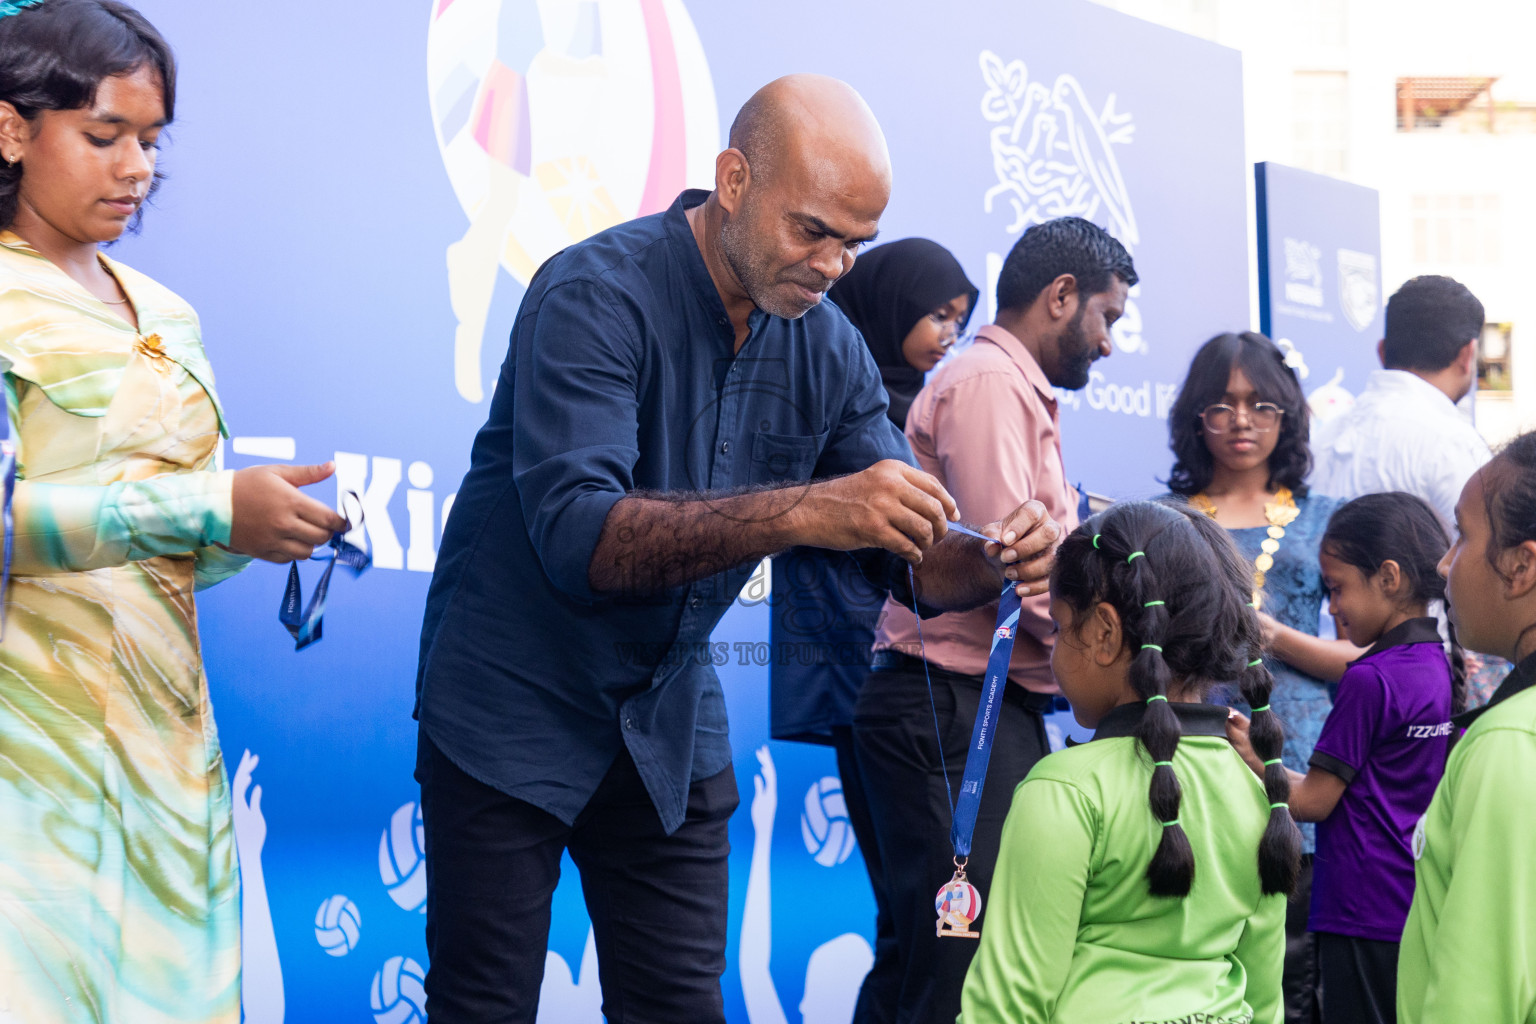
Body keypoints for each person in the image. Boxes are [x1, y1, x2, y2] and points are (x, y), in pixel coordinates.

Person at [413, 74, 1060, 1023]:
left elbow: (915, 562)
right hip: (512, 707)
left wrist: (996, 556)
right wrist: (806, 511)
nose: (837, 264)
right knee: (485, 1005)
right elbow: (581, 541)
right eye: (813, 231)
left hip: (667, 723)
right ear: (733, 179)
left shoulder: (828, 347)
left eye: (857, 243)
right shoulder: (594, 293)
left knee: (681, 1006)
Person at [0, 2, 348, 1020]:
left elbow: (174, 543)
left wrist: (250, 531)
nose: (136, 168)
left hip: (168, 756)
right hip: (30, 753)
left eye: (150, 142)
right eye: (104, 137)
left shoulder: (168, 312)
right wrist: (203, 502)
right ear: (13, 129)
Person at [853, 216, 1135, 1024]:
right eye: (1107, 318)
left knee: (927, 959)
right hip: (949, 708)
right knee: (956, 965)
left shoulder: (1007, 389)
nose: (1109, 345)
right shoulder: (987, 385)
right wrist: (1128, 667)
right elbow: (1014, 566)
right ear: (1060, 297)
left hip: (965, 705)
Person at [960, 499, 1300, 1024]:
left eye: (1056, 628)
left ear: (1103, 632)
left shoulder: (1065, 790)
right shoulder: (1260, 792)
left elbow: (1004, 1008)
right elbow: (1265, 1001)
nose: (1053, 650)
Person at [767, 237, 977, 1021]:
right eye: (937, 313)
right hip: (868, 665)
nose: (948, 333)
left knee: (916, 912)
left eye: (960, 318)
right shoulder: (835, 396)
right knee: (920, 909)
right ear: (890, 306)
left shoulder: (916, 405)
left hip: (898, 660)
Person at [1165, 331, 1362, 1023]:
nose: (1241, 420)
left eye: (1261, 405)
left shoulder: (1328, 519)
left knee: (1297, 973)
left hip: (1306, 773)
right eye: (1221, 405)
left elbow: (1366, 662)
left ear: (1289, 415)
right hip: (1193, 767)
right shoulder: (1166, 521)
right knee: (1198, 968)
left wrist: (1274, 636)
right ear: (1195, 417)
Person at [1229, 492, 1462, 1024]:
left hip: (1356, 905)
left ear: (1389, 577)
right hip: (1410, 900)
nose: (1331, 607)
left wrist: (1252, 754)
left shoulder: (1369, 678)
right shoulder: (1434, 664)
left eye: (1337, 589)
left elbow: (1312, 800)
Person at [1310, 275, 1503, 709]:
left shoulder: (1322, 438)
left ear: (1382, 351)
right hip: (1427, 693)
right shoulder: (1454, 443)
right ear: (1468, 354)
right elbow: (1490, 569)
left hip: (1329, 689)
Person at [1398, 430, 1536, 1023]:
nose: (1444, 563)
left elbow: (1475, 998)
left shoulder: (1507, 744)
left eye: (1463, 534)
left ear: (1520, 565)